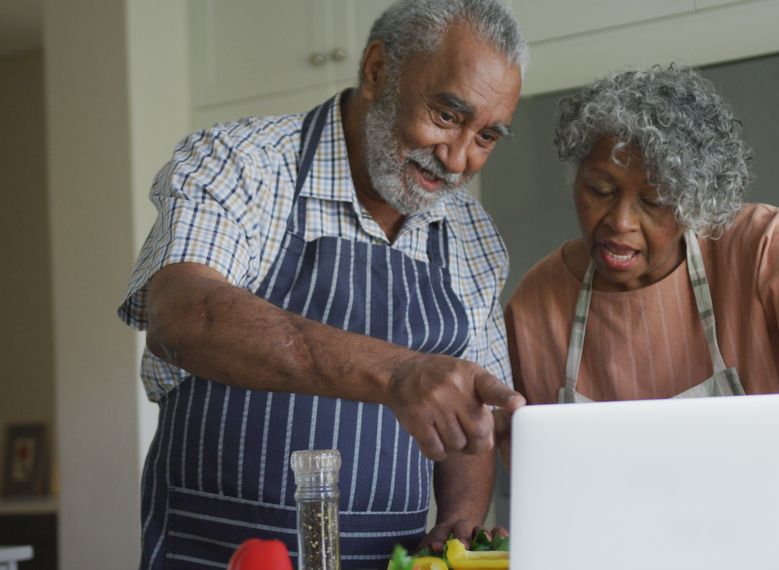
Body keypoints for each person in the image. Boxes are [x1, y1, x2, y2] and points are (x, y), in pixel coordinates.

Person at [118, 1, 528, 567]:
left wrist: (460, 521)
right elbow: (185, 317)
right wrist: (397, 374)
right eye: (446, 115)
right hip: (212, 555)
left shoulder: (471, 235)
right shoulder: (240, 164)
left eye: (486, 137)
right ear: (378, 70)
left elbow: (471, 413)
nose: (457, 159)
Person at [504, 65, 779, 512]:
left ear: (694, 200)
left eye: (654, 201)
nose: (620, 222)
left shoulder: (760, 244)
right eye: (599, 189)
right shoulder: (537, 302)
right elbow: (528, 468)